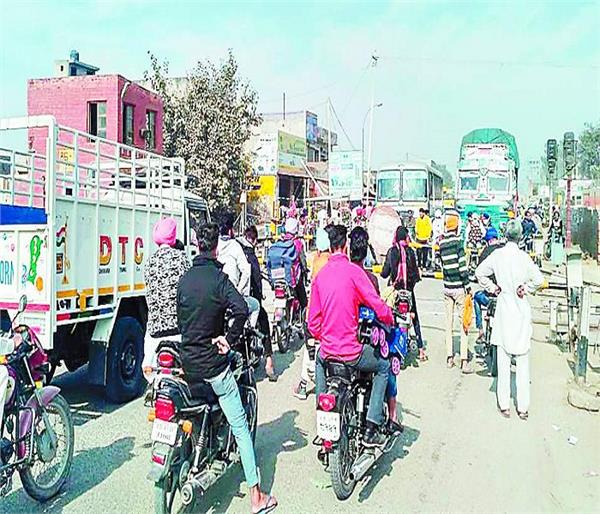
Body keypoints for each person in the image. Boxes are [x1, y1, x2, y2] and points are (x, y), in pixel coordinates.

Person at [177, 222, 278, 514]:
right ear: (216, 247)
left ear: (197, 244)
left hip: (187, 365)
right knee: (241, 428)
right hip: (213, 367)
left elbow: (182, 317)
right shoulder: (220, 281)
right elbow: (243, 309)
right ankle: (257, 498)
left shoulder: (184, 280)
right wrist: (228, 340)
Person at [308, 225, 394, 446]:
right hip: (352, 353)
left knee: (318, 359)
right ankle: (372, 426)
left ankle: (321, 408)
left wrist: (325, 337)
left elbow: (312, 323)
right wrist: (389, 318)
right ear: (345, 246)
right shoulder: (355, 273)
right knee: (384, 366)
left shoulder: (321, 275)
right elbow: (376, 304)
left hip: (328, 351)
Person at [476, 220, 544, 419]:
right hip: (521, 310)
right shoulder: (524, 257)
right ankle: (523, 408)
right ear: (521, 236)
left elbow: (480, 273)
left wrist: (493, 288)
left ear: (505, 235)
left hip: (504, 308)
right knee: (522, 361)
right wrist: (526, 289)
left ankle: (504, 404)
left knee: (503, 360)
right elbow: (539, 280)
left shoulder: (498, 255)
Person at [350, 227, 404, 435]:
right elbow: (379, 309)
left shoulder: (337, 273)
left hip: (338, 339)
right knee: (388, 363)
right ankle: (389, 417)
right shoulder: (368, 279)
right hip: (362, 341)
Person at [142, 217, 190, 382]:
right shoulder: (182, 259)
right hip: (179, 330)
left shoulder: (149, 263)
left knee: (150, 373)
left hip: (154, 332)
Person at [293, 227, 331, 400]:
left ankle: (303, 384)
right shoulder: (329, 261)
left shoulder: (317, 259)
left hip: (313, 314)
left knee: (311, 350)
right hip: (325, 316)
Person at [381, 226, 427, 362]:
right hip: (408, 293)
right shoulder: (411, 252)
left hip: (395, 293)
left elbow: (384, 274)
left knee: (390, 319)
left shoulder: (392, 252)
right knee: (415, 318)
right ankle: (421, 349)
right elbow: (416, 275)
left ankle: (389, 346)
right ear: (405, 237)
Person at [238, 225, 277, 382]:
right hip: (248, 300)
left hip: (228, 301)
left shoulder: (234, 250)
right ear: (253, 240)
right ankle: (269, 363)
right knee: (264, 323)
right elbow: (256, 281)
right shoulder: (250, 256)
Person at [439, 209, 473, 373]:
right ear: (457, 226)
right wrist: (468, 286)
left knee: (448, 324)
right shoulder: (458, 243)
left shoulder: (442, 244)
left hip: (447, 288)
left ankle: (449, 358)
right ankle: (464, 360)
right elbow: (462, 267)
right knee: (464, 323)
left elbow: (443, 266)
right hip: (459, 288)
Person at [217, 213, 259, 327]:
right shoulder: (235, 246)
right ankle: (248, 332)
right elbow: (246, 272)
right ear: (230, 230)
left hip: (215, 296)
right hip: (231, 297)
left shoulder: (214, 245)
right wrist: (238, 291)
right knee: (255, 305)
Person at [473, 227, 504, 344]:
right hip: (505, 296)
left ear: (489, 240)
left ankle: (480, 329)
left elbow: (478, 273)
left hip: (489, 297)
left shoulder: (485, 252)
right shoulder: (504, 251)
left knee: (476, 297)